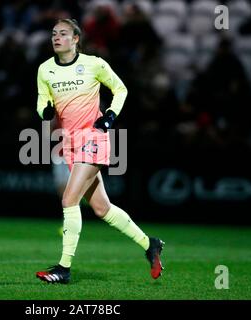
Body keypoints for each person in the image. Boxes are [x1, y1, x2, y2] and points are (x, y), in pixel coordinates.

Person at [35, 18, 164, 284]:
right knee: (102, 209)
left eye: (63, 33)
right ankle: (149, 244)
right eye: (53, 33)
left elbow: (120, 89)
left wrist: (110, 116)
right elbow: (41, 99)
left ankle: (64, 268)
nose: (56, 37)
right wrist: (45, 110)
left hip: (93, 138)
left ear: (76, 39)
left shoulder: (94, 64)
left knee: (69, 200)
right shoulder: (45, 70)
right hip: (69, 143)